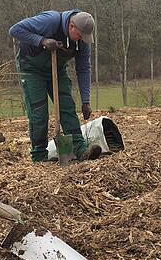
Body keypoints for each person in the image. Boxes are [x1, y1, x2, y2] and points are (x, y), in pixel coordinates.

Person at [9, 10, 102, 163]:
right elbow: (15, 30)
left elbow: (84, 68)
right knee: (39, 112)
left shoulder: (82, 41)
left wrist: (86, 101)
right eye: (79, 35)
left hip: (57, 69)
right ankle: (39, 155)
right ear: (71, 26)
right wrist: (42, 41)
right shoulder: (50, 21)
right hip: (31, 68)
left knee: (67, 106)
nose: (81, 40)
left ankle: (80, 149)